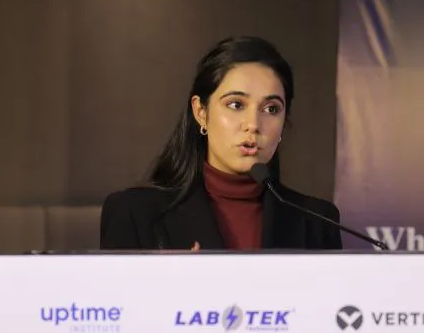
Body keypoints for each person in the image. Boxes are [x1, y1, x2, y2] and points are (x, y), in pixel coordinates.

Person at [99, 35, 342, 251]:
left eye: (271, 109)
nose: (253, 124)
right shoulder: (134, 214)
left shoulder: (317, 222)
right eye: (236, 105)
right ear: (201, 112)